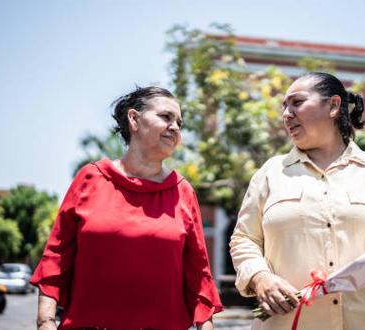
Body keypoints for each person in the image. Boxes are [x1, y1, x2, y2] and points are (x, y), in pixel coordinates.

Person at [230, 72, 365, 330]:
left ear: (333, 106)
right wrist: (260, 277)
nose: (286, 113)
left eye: (296, 103)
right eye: (284, 106)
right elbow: (244, 239)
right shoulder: (270, 173)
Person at [31, 87, 222, 330]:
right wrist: (45, 321)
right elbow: (55, 258)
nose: (175, 127)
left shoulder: (183, 191)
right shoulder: (90, 178)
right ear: (134, 119)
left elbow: (198, 277)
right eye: (166, 117)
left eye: (179, 123)